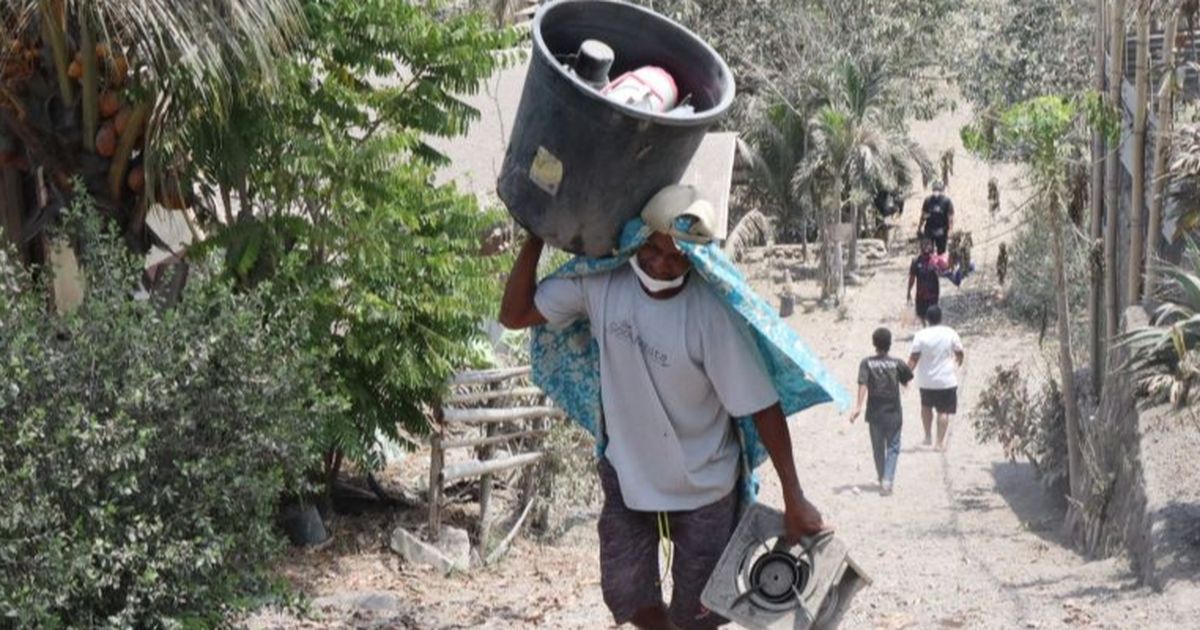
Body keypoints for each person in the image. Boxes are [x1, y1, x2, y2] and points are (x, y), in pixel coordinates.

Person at [498, 186, 832, 630]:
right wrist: (537, 237)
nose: (661, 264)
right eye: (653, 249)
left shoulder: (711, 316)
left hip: (704, 485)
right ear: (638, 240)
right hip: (628, 474)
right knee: (627, 595)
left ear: (696, 259)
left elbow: (762, 406)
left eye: (676, 257)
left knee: (699, 614)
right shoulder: (600, 287)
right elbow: (515, 315)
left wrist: (794, 496)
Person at [848, 327, 913, 495]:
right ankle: (887, 481)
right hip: (893, 413)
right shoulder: (897, 363)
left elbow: (863, 384)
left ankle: (881, 476)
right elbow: (907, 380)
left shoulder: (866, 363)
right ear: (890, 344)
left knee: (877, 448)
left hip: (874, 414)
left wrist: (858, 407)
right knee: (893, 447)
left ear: (874, 344)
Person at [907, 305, 964, 451]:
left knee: (926, 407)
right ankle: (939, 443)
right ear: (941, 318)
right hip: (946, 380)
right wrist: (958, 361)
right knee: (943, 411)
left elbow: (914, 358)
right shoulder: (950, 332)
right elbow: (959, 351)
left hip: (926, 380)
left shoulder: (921, 335)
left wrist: (905, 374)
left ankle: (927, 436)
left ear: (927, 319)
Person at [907, 237, 940, 326]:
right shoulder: (916, 261)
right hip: (921, 294)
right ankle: (925, 328)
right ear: (920, 247)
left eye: (928, 245)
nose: (926, 247)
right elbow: (912, 277)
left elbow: (944, 270)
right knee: (921, 314)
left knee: (932, 314)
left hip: (933, 293)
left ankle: (931, 329)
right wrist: (909, 291)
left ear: (931, 247)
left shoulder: (936, 260)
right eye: (924, 244)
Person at [918, 180, 955, 255]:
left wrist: (919, 227)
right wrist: (920, 227)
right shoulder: (929, 200)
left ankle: (936, 265)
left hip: (940, 230)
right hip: (932, 230)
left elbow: (950, 217)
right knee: (932, 252)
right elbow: (924, 215)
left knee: (938, 252)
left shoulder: (946, 201)